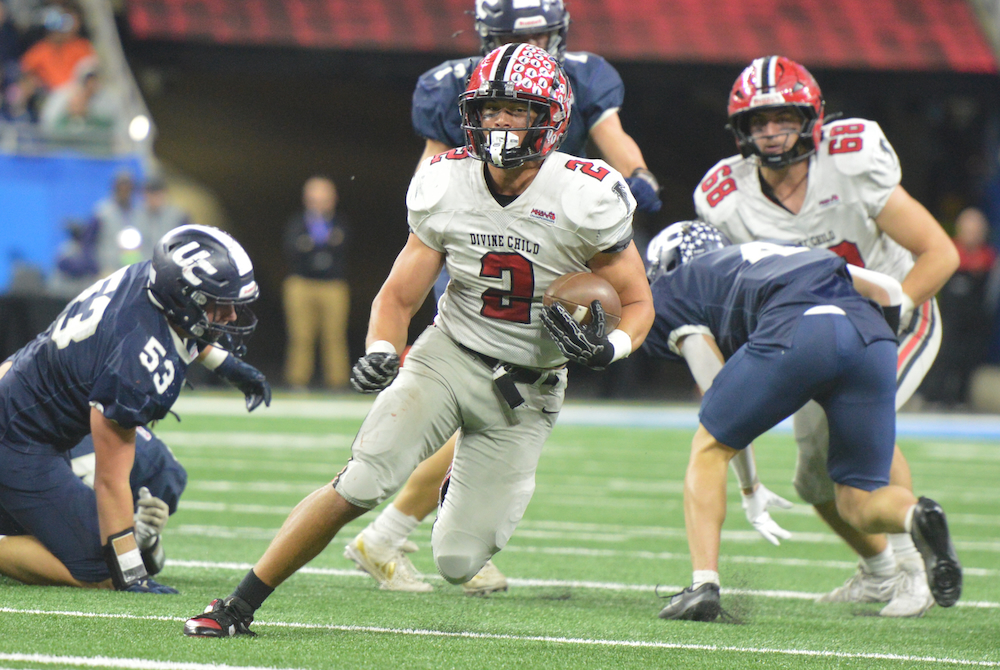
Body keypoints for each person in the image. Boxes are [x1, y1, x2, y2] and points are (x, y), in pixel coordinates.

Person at [183, 43, 654, 637]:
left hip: (527, 390)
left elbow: (636, 303)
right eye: (490, 110)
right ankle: (236, 605)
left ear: (552, 116)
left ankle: (462, 481)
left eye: (515, 109)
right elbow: (398, 297)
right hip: (450, 355)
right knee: (361, 480)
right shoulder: (446, 180)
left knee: (459, 562)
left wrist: (609, 347)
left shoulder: (587, 194)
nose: (500, 122)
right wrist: (381, 350)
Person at [345, 0, 661, 596]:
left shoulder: (585, 76)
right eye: (522, 37)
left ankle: (411, 529)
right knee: (482, 390)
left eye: (544, 35)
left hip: (552, 234)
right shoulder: (461, 86)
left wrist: (638, 180)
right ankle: (391, 530)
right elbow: (438, 171)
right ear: (485, 38)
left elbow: (614, 140)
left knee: (495, 401)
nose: (536, 48)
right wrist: (451, 225)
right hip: (482, 252)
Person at [693, 56, 960, 617]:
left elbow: (941, 251)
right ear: (741, 130)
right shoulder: (725, 198)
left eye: (783, 118)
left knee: (863, 435)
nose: (770, 132)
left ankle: (915, 568)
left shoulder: (852, 161)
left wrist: (897, 307)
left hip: (895, 317)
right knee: (815, 483)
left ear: (810, 118)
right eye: (758, 121)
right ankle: (879, 571)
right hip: (816, 336)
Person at [643, 222, 962, 622]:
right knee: (857, 499)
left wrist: (749, 485)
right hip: (871, 334)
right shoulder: (780, 251)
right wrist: (872, 348)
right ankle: (917, 515)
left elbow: (717, 401)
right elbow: (889, 291)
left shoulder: (678, 288)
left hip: (800, 327)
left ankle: (703, 585)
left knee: (707, 447)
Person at [0, 224, 271, 592]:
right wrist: (131, 572)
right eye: (218, 303)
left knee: (163, 473)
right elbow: (111, 480)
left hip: (50, 407)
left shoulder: (154, 282)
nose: (231, 316)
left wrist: (227, 365)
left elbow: (182, 327)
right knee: (100, 567)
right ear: (185, 295)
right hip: (20, 439)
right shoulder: (133, 362)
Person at [920, 207, 998, 405]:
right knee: (943, 357)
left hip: (976, 323)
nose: (971, 233)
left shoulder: (989, 259)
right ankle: (933, 397)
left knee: (968, 360)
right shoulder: (949, 254)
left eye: (976, 229)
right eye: (967, 228)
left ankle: (961, 399)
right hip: (949, 319)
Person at [282, 175, 350, 391]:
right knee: (301, 335)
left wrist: (311, 245)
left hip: (333, 285)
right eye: (314, 198)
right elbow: (292, 248)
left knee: (335, 336)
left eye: (324, 197)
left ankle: (337, 382)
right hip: (301, 283)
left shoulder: (340, 223)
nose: (319, 202)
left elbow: (344, 247)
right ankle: (298, 381)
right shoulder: (297, 223)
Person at [18, 1, 93, 92]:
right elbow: (24, 69)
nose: (56, 34)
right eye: (53, 31)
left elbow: (91, 70)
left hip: (80, 91)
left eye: (59, 29)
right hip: (54, 94)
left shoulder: (78, 45)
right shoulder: (41, 49)